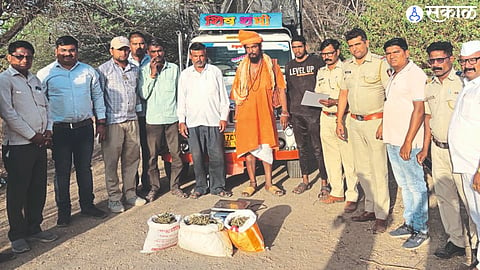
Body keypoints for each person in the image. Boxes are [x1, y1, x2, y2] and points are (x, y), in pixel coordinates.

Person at [37, 36, 107, 227]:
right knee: (62, 171)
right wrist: (46, 130)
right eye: (64, 50)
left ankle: (87, 205)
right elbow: (40, 104)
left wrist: (101, 121)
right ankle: (64, 212)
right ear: (56, 51)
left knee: (85, 168)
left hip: (84, 127)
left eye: (72, 50)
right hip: (59, 130)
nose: (68, 54)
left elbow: (97, 96)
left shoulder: (88, 71)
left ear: (77, 50)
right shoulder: (46, 74)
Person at [417, 41, 478, 259]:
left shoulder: (465, 83)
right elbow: (428, 118)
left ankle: (475, 244)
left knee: (469, 199)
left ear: (451, 59)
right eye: (432, 60)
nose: (436, 64)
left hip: (462, 152)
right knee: (445, 198)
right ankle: (457, 241)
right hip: (438, 149)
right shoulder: (430, 86)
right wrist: (425, 148)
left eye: (440, 59)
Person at [0, 40, 58, 253]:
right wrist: (33, 136)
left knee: (37, 188)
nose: (24, 60)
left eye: (28, 57)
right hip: (18, 146)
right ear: (9, 57)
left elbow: (46, 107)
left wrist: (49, 130)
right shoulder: (4, 80)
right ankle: (17, 235)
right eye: (19, 56)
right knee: (18, 191)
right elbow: (8, 113)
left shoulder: (35, 79)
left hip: (40, 143)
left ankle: (35, 227)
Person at [336, 28, 390, 233]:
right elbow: (343, 94)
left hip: (375, 121)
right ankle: (370, 208)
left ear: (366, 43)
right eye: (350, 46)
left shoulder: (379, 63)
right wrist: (339, 121)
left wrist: (386, 122)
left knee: (379, 170)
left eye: (358, 44)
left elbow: (390, 93)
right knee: (362, 169)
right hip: (354, 122)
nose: (354, 49)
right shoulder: (347, 66)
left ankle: (382, 215)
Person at [382, 38, 428, 248]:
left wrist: (408, 141)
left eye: (396, 52)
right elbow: (394, 105)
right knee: (404, 185)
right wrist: (383, 126)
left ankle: (421, 229)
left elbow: (419, 111)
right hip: (393, 139)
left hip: (408, 141)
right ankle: (410, 223)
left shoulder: (415, 74)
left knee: (416, 186)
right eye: (389, 53)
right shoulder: (394, 74)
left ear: (406, 53)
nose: (392, 56)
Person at [230, 30, 288, 197]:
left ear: (260, 46)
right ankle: (252, 183)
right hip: (246, 116)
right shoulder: (241, 68)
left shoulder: (272, 65)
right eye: (248, 48)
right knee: (249, 150)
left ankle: (269, 183)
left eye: (254, 47)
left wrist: (284, 111)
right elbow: (237, 95)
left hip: (265, 114)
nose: (251, 51)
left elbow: (281, 89)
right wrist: (237, 118)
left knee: (266, 148)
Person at [97, 36, 146, 212]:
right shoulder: (103, 71)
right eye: (119, 49)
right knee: (111, 162)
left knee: (132, 159)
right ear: (111, 51)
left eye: (126, 49)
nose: (123, 52)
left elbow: (137, 93)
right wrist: (100, 123)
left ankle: (130, 194)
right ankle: (114, 198)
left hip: (132, 119)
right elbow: (98, 97)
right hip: (113, 122)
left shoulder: (134, 69)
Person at [177, 42, 232, 198]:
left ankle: (218, 187)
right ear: (190, 56)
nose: (199, 59)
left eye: (201, 55)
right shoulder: (185, 75)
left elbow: (223, 97)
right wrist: (181, 120)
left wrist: (223, 117)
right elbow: (181, 99)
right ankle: (200, 186)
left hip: (213, 120)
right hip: (193, 122)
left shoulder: (214, 72)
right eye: (195, 56)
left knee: (217, 156)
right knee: (197, 157)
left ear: (205, 54)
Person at [138, 38, 187, 201]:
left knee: (176, 155)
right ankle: (154, 187)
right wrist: (152, 74)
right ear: (148, 53)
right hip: (153, 120)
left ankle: (175, 186)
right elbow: (143, 94)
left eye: (159, 51)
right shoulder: (144, 70)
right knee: (151, 157)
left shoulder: (174, 69)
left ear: (163, 51)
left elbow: (180, 95)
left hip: (172, 119)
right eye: (153, 52)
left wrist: (182, 119)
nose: (157, 55)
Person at [315, 39, 358, 212]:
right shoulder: (321, 71)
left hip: (344, 117)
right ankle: (337, 191)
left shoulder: (347, 69)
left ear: (338, 52)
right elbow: (318, 92)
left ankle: (352, 195)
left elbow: (350, 95)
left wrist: (334, 101)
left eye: (330, 53)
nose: (326, 57)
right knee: (330, 156)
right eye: (324, 54)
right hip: (325, 116)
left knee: (349, 158)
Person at [449, 40, 480, 270]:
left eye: (473, 60)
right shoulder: (468, 84)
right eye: (464, 60)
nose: (468, 65)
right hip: (465, 164)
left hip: (475, 166)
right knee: (476, 217)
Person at [284, 35, 328, 195]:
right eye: (294, 47)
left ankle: (324, 182)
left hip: (314, 112)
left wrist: (320, 102)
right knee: (301, 148)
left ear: (305, 46)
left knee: (318, 148)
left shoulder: (316, 62)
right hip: (296, 113)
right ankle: (305, 180)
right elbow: (287, 90)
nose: (297, 50)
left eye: (299, 47)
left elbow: (324, 84)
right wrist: (287, 112)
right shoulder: (289, 66)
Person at [128, 31, 151, 194]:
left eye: (142, 43)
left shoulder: (152, 61)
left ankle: (148, 184)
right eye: (135, 43)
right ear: (130, 45)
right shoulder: (125, 63)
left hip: (149, 114)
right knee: (132, 152)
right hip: (131, 116)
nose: (139, 46)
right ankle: (132, 186)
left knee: (149, 152)